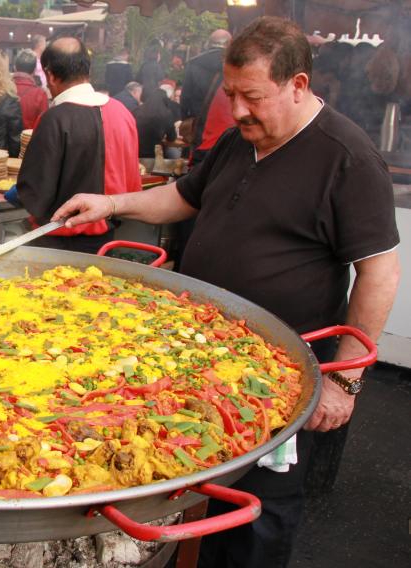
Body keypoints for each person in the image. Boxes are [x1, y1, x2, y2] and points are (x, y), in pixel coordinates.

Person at [51, 17, 400, 568]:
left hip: (280, 368)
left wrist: (346, 381)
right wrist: (110, 203)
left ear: (298, 86)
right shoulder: (241, 140)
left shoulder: (347, 158)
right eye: (231, 93)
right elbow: (185, 197)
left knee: (262, 502)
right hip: (200, 348)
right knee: (197, 484)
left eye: (252, 97)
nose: (236, 111)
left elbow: (380, 271)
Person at [12, 37, 141, 254]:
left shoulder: (54, 118)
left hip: (57, 242)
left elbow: (37, 192)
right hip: (107, 240)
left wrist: (19, 192)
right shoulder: (123, 113)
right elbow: (132, 185)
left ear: (50, 76)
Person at [180, 28, 231, 163]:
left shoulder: (194, 63)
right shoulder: (232, 63)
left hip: (198, 121)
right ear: (229, 44)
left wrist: (186, 118)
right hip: (225, 122)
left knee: (199, 161)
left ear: (209, 43)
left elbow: (185, 97)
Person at [134, 87, 177, 158]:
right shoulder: (166, 114)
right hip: (155, 153)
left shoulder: (137, 111)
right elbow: (172, 138)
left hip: (136, 151)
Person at [12, 49, 48, 129]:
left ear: (15, 68)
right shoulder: (40, 94)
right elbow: (43, 126)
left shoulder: (2, 89)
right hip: (30, 140)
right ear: (35, 70)